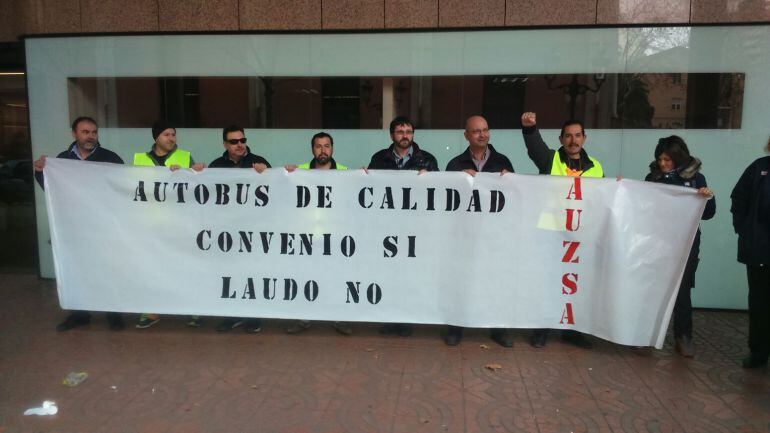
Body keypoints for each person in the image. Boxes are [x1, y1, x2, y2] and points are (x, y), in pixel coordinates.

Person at [33, 116, 125, 331]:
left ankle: (113, 313)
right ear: (74, 134)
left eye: (94, 132)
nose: (90, 136)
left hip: (104, 226)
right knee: (77, 269)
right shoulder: (62, 160)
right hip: (74, 227)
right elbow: (53, 190)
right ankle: (80, 313)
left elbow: (123, 187)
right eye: (85, 132)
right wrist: (40, 172)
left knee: (108, 269)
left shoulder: (110, 158)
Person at [521, 111, 601, 349]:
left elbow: (601, 199)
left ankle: (571, 331)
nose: (573, 141)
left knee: (575, 283)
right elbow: (535, 148)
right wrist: (529, 129)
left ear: (584, 138)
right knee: (547, 282)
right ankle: (541, 329)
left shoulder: (596, 167)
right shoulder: (550, 160)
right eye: (568, 136)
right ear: (561, 139)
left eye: (577, 136)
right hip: (550, 233)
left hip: (579, 234)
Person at [444, 115, 514, 347]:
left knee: (495, 281)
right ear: (466, 135)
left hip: (495, 235)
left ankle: (498, 329)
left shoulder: (503, 161)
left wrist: (509, 180)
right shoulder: (455, 164)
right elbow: (445, 199)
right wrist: (460, 179)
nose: (482, 134)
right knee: (461, 280)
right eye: (476, 131)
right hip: (464, 234)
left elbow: (514, 196)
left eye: (485, 130)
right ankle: (456, 327)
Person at [645, 136, 715, 357]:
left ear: (679, 158)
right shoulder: (653, 177)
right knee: (652, 288)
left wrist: (707, 197)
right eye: (660, 159)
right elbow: (642, 206)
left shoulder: (696, 178)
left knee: (682, 290)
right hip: (658, 242)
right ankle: (645, 335)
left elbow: (710, 213)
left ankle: (683, 336)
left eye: (668, 159)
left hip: (687, 243)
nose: (663, 164)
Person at [368, 116, 439, 336]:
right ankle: (390, 317)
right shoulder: (379, 158)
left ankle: (406, 317)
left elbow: (440, 191)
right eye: (400, 131)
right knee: (389, 273)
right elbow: (369, 188)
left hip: (415, 227)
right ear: (392, 135)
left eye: (409, 131)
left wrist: (431, 178)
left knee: (410, 273)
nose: (405, 135)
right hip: (387, 227)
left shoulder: (427, 160)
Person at [133, 120, 204, 329]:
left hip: (179, 224)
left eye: (173, 134)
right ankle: (151, 311)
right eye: (167, 134)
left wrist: (192, 171)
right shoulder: (139, 159)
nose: (172, 138)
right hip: (149, 224)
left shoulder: (184, 157)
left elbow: (196, 185)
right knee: (150, 267)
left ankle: (193, 310)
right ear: (156, 137)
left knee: (185, 266)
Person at [284, 132, 352, 336]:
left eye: (327, 146)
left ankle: (338, 318)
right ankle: (304, 318)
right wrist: (286, 174)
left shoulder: (346, 172)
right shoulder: (300, 171)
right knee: (306, 277)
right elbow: (284, 195)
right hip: (307, 234)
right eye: (318, 146)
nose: (323, 150)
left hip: (335, 235)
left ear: (332, 148)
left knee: (336, 278)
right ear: (312, 149)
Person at [209, 125, 270, 333]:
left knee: (252, 274)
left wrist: (267, 174)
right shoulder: (216, 165)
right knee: (229, 274)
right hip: (227, 230)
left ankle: (254, 315)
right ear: (225, 144)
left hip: (254, 229)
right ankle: (231, 315)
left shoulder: (259, 163)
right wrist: (196, 174)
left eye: (242, 140)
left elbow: (277, 190)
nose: (240, 144)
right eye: (234, 141)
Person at [731, 137, 770, 369]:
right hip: (760, 251)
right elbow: (738, 198)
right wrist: (744, 230)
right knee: (759, 303)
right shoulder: (759, 168)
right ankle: (758, 351)